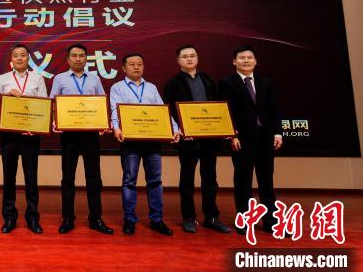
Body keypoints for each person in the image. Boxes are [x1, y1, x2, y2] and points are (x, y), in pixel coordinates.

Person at [110, 53, 180, 236]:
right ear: (124, 68)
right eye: (132, 64)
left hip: (152, 141)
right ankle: (129, 219)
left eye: (139, 64)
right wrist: (116, 128)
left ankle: (157, 220)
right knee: (129, 181)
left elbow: (162, 111)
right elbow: (114, 110)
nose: (136, 67)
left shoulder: (151, 87)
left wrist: (175, 129)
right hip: (130, 141)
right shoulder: (117, 87)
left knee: (155, 181)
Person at [163, 44, 230, 234]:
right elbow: (168, 111)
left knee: (210, 179)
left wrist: (223, 127)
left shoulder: (207, 79)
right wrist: (179, 130)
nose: (189, 59)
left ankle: (211, 217)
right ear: (178, 60)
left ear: (197, 58)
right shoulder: (173, 83)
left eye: (192, 55)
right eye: (185, 56)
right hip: (187, 140)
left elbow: (218, 108)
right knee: (187, 179)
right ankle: (189, 217)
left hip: (209, 139)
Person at [49, 44, 113, 235]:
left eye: (82, 56)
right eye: (74, 56)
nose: (78, 59)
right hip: (69, 135)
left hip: (90, 134)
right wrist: (55, 120)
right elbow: (52, 103)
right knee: (68, 178)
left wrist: (103, 122)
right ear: (68, 59)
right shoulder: (59, 78)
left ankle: (95, 218)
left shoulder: (94, 78)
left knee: (94, 178)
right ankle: (68, 218)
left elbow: (102, 101)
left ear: (86, 59)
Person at [219, 45, 283, 235]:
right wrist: (232, 135)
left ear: (256, 61)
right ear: (234, 61)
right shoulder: (226, 83)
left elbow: (274, 110)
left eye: (249, 57)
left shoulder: (265, 82)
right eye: (241, 58)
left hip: (266, 138)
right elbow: (226, 111)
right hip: (242, 139)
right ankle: (244, 221)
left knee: (266, 181)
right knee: (243, 181)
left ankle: (271, 222)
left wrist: (277, 133)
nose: (246, 61)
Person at [0, 44, 47, 234]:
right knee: (9, 176)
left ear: (28, 59)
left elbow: (43, 103)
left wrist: (36, 127)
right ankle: (9, 217)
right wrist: (6, 95)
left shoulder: (37, 78)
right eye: (16, 55)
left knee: (31, 177)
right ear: (11, 59)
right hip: (8, 134)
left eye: (23, 55)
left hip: (30, 134)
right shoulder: (3, 79)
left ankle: (33, 217)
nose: (19, 58)